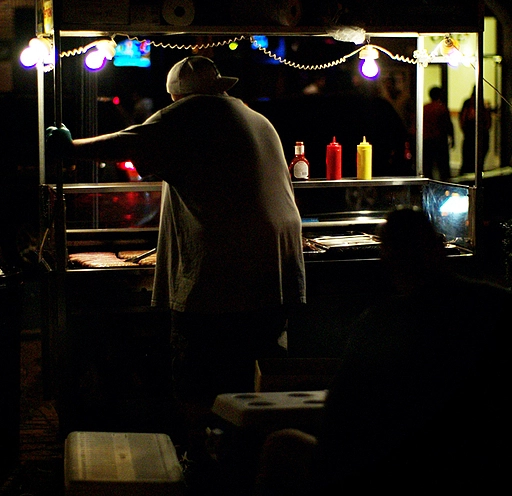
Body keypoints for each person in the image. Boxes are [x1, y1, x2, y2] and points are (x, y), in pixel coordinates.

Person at [47, 55, 306, 458]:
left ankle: (200, 459)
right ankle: (251, 458)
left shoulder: (192, 114)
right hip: (275, 272)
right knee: (254, 376)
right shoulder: (253, 117)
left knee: (197, 376)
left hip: (220, 276)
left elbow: (129, 142)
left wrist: (70, 147)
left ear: (176, 96)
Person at [255, 207, 511, 495]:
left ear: (388, 260)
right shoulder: (496, 302)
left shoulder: (382, 322)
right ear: (440, 247)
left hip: (396, 469)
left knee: (281, 444)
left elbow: (339, 418)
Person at [423, 86, 454, 180]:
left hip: (427, 140)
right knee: (443, 166)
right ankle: (444, 185)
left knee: (428, 166)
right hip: (439, 139)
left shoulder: (425, 108)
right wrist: (452, 137)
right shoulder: (441, 108)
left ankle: (428, 185)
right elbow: (447, 124)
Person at [459, 88, 492, 174]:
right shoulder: (482, 104)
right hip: (478, 134)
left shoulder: (469, 103)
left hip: (471, 134)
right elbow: (488, 121)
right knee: (477, 159)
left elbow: (462, 119)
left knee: (468, 158)